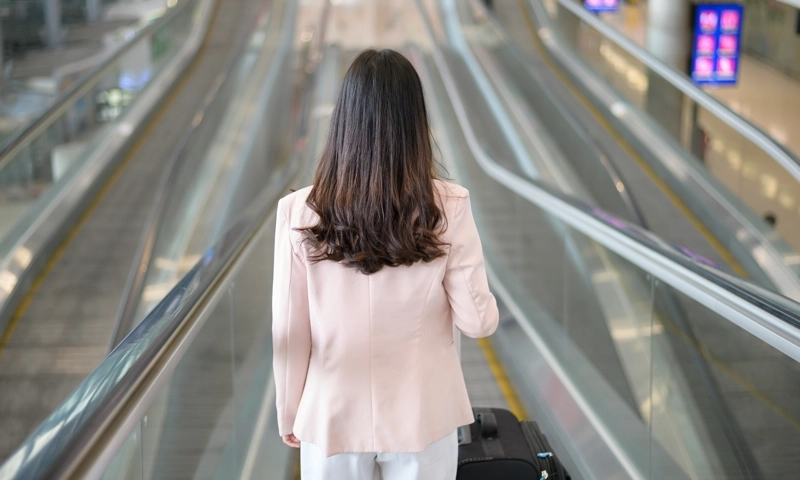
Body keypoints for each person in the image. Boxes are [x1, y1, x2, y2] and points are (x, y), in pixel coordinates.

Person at [272, 49, 499, 480]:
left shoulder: (299, 211)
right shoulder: (449, 206)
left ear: (344, 121)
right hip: (423, 413)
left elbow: (289, 329)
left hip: (331, 414)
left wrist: (289, 411)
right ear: (416, 124)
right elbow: (478, 322)